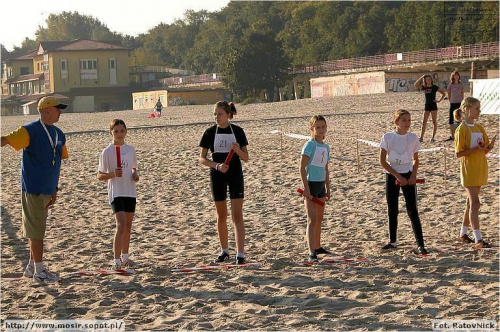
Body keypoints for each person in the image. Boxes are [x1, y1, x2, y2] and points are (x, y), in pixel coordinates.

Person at [1, 96, 68, 282]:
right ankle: (39, 270)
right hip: (33, 188)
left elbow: (56, 163)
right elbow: (5, 140)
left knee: (36, 228)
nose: (60, 112)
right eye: (57, 109)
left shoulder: (59, 134)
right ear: (46, 111)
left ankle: (31, 266)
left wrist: (54, 189)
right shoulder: (29, 130)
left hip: (47, 188)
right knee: (36, 231)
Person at [199, 101, 249, 265]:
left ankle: (240, 254)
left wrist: (237, 150)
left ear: (228, 115)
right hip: (218, 175)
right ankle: (224, 251)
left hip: (235, 174)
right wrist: (217, 166)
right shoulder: (209, 132)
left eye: (219, 114)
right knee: (221, 215)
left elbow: (246, 157)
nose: (216, 117)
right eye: (214, 114)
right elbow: (202, 158)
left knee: (237, 215)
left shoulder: (238, 131)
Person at [379, 109, 428, 255]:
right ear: (396, 122)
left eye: (409, 120)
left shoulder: (413, 138)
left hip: (408, 175)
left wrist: (413, 174)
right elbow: (382, 161)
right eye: (404, 120)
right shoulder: (388, 137)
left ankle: (420, 244)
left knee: (412, 210)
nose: (407, 123)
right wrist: (397, 176)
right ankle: (393, 241)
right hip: (392, 175)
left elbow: (416, 160)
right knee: (392, 209)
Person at [454, 97, 496, 249]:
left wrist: (489, 146)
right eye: (477, 108)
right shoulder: (462, 129)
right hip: (469, 169)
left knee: (470, 204)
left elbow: (483, 150)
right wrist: (475, 149)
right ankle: (478, 239)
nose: (479, 111)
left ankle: (463, 234)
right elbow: (459, 153)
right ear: (467, 109)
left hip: (480, 168)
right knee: (475, 204)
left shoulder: (479, 128)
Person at [98, 119, 140, 269]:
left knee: (128, 226)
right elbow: (100, 175)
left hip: (130, 190)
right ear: (111, 132)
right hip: (116, 191)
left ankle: (125, 257)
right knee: (121, 225)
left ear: (126, 132)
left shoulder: (130, 150)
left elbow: (134, 167)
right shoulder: (107, 152)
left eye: (122, 131)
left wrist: (135, 175)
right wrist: (112, 174)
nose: (119, 134)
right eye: (116, 131)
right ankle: (116, 261)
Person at [299, 115, 331, 263]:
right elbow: (302, 167)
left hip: (320, 186)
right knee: (311, 219)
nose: (321, 129)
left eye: (323, 127)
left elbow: (325, 168)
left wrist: (328, 187)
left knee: (319, 218)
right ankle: (311, 251)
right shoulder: (310, 145)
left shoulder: (325, 147)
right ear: (312, 129)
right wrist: (306, 188)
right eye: (317, 127)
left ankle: (318, 246)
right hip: (311, 184)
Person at [414, 74, 446, 143]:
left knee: (434, 121)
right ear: (425, 80)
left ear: (431, 80)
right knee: (424, 121)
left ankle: (433, 137)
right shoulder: (424, 87)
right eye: (427, 79)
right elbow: (416, 84)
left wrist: (438, 100)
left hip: (433, 105)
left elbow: (443, 94)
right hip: (427, 105)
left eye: (430, 79)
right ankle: (421, 137)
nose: (429, 81)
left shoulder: (435, 87)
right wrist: (422, 77)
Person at [446, 71, 465, 141]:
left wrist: (462, 101)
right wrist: (450, 100)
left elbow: (462, 93)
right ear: (453, 77)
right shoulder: (450, 85)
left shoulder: (461, 85)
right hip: (452, 103)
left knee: (459, 118)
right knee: (451, 119)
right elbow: (449, 93)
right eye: (455, 75)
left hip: (459, 102)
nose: (456, 77)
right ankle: (453, 135)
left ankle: (460, 134)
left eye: (457, 75)